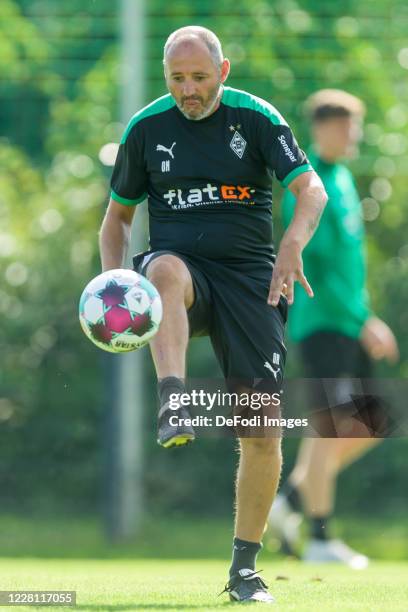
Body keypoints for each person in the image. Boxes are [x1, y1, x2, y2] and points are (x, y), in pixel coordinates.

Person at [99, 26, 327, 603]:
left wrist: (293, 245)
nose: (189, 90)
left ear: (223, 72)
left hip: (253, 283)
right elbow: (118, 221)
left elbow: (312, 191)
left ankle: (244, 570)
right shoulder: (146, 129)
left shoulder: (256, 118)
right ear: (165, 76)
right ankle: (173, 395)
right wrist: (112, 283)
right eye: (177, 79)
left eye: (200, 78)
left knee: (262, 429)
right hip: (183, 277)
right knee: (163, 272)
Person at [268, 89, 399, 568]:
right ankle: (320, 540)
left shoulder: (343, 179)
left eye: (356, 127)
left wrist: (366, 317)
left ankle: (291, 503)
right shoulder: (311, 185)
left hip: (350, 322)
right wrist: (363, 320)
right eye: (346, 127)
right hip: (324, 324)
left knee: (374, 424)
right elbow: (317, 269)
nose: (354, 136)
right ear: (321, 129)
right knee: (329, 430)